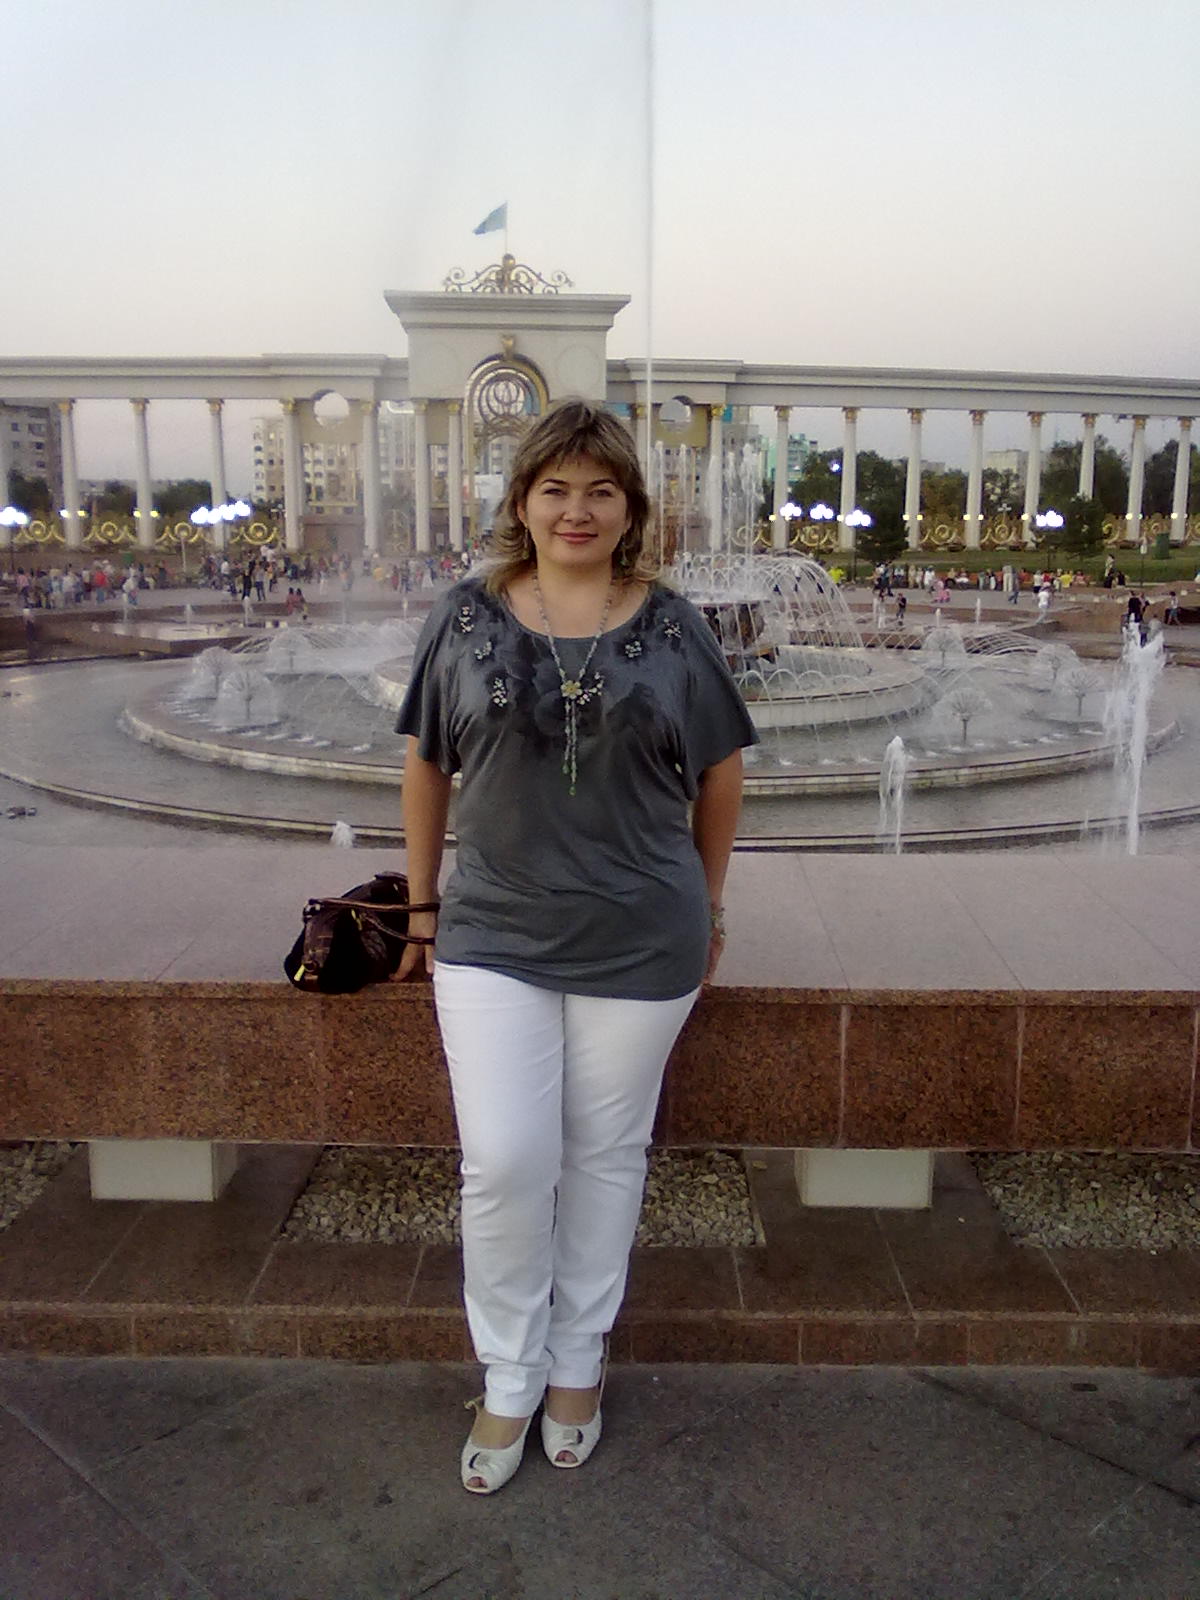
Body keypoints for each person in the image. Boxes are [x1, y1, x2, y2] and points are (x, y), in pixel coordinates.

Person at [394, 399, 756, 1496]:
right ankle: (508, 1369)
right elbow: (426, 763)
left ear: (631, 508)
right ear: (522, 502)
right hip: (492, 934)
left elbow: (722, 772)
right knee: (506, 1159)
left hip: (642, 938)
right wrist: (421, 908)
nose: (577, 509)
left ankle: (575, 1362)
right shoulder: (464, 617)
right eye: (555, 488)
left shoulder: (677, 626)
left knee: (605, 1156)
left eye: (601, 489)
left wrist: (710, 906)